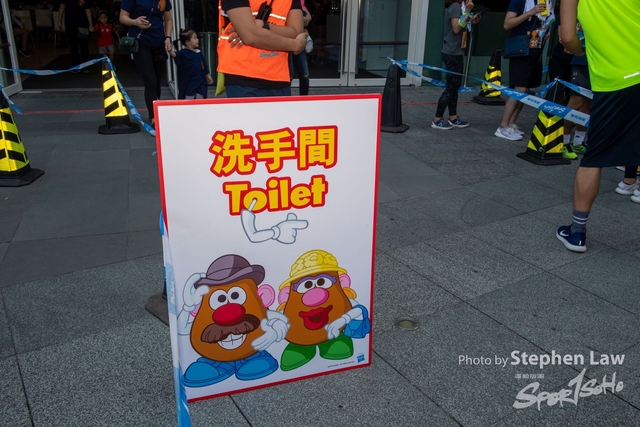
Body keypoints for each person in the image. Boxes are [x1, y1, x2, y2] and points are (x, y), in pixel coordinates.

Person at [556, 0, 640, 253]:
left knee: (594, 158)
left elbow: (568, 36)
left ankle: (577, 232)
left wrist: (580, 50)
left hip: (616, 79)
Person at [218, 0, 307, 98]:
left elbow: (297, 33)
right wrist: (294, 45)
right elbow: (250, 36)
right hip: (243, 74)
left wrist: (264, 26)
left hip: (277, 74)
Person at [494, 0, 547, 141]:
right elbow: (507, 24)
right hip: (521, 48)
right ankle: (503, 126)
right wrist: (530, 12)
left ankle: (511, 123)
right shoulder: (519, 1)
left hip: (535, 48)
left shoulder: (544, 2)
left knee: (526, 89)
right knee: (520, 88)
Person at [119, 0, 173, 128]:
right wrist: (135, 22)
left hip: (159, 42)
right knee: (150, 80)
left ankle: (155, 110)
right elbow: (122, 17)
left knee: (157, 81)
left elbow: (168, 19)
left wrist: (168, 37)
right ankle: (153, 116)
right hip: (141, 42)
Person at [432, 0, 480, 130]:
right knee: (451, 87)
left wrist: (471, 20)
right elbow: (456, 28)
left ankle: (453, 116)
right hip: (452, 52)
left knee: (454, 86)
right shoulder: (455, 7)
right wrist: (467, 12)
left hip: (456, 52)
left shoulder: (459, 7)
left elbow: (461, 24)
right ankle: (437, 118)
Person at [561, 21, 590, 158]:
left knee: (588, 104)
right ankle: (563, 142)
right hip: (583, 60)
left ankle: (578, 142)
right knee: (576, 103)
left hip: (601, 63)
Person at [169, 29, 213, 99]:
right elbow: (175, 55)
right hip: (190, 82)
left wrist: (207, 75)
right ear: (188, 42)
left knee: (200, 95)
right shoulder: (183, 53)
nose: (197, 40)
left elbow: (204, 65)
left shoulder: (199, 53)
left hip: (200, 80)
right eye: (195, 38)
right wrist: (170, 50)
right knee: (189, 96)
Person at [58, 0, 94, 70]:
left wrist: (90, 24)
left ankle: (86, 65)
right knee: (73, 45)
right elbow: (62, 7)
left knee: (84, 45)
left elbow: (88, 10)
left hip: (83, 23)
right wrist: (59, 20)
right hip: (70, 23)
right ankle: (75, 65)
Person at [289, 0, 312, 95]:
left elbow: (308, 18)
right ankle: (285, 99)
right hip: (287, 42)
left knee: (304, 75)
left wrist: (303, 20)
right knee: (288, 75)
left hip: (298, 40)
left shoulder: (299, 3)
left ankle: (304, 98)